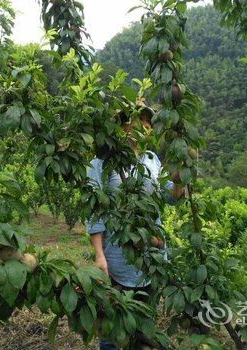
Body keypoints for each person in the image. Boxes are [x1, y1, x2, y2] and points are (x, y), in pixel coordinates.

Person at [86, 106, 184, 350]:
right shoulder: (101, 162)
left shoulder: (151, 158)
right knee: (112, 327)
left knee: (142, 324)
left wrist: (181, 173)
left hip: (151, 259)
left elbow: (169, 196)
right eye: (135, 121)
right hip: (117, 258)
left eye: (146, 121)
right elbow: (94, 209)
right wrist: (99, 256)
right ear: (120, 127)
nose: (143, 125)